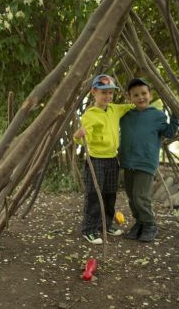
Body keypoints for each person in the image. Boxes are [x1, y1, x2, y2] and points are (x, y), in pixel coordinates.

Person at [73, 74, 133, 245]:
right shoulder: (90, 115)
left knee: (110, 194)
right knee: (94, 194)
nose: (107, 96)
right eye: (104, 92)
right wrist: (78, 136)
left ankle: (106, 224)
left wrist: (147, 103)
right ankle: (89, 229)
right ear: (94, 92)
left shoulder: (115, 109)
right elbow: (83, 137)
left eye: (111, 93)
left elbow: (131, 106)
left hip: (112, 159)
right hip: (96, 159)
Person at [119, 78, 179, 242]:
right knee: (132, 196)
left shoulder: (157, 115)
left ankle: (150, 224)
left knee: (141, 196)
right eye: (136, 95)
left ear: (150, 95)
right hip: (128, 162)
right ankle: (139, 223)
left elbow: (168, 132)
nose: (141, 97)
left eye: (144, 93)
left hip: (146, 162)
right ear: (129, 98)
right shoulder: (125, 115)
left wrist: (176, 115)